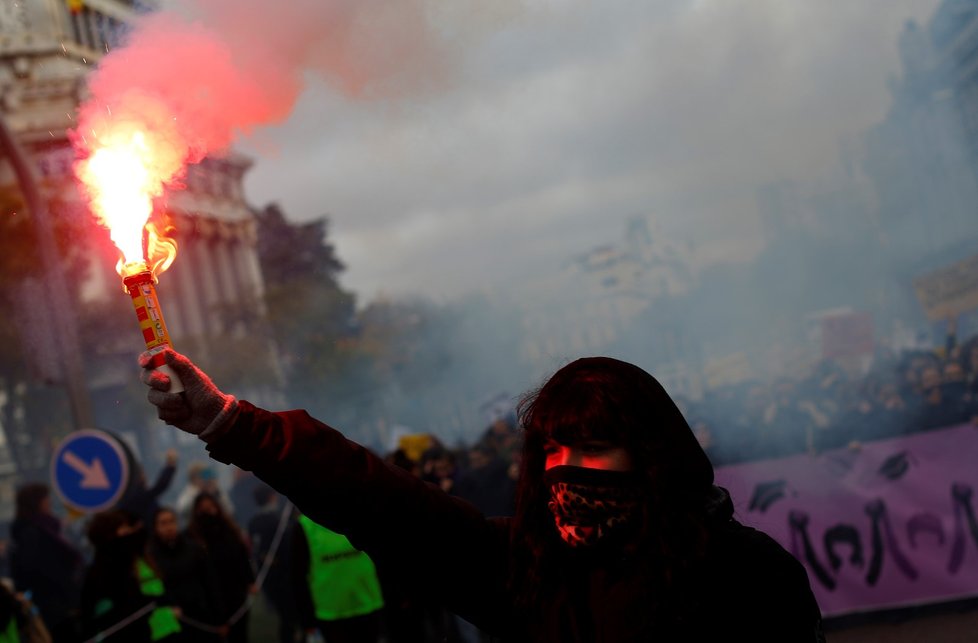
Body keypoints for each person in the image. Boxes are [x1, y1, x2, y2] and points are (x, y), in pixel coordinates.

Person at [140, 349, 825, 641]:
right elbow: (385, 503)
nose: (566, 469)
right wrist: (232, 422)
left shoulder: (748, 574)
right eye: (553, 449)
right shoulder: (532, 569)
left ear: (650, 457)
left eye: (591, 449)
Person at [80, 510, 182, 643]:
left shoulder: (122, 563)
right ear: (111, 535)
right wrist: (155, 602)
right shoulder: (105, 571)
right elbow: (124, 607)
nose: (130, 533)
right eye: (125, 531)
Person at [291, 513, 384, 643]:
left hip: (369, 604)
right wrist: (307, 620)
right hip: (331, 614)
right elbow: (298, 576)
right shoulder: (304, 526)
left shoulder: (363, 512)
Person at [9, 484, 82, 643]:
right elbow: (43, 570)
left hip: (54, 605)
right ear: (38, 503)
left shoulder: (39, 529)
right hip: (56, 608)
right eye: (46, 498)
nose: (49, 501)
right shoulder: (34, 533)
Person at [148, 507, 226, 642]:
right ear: (155, 527)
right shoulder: (151, 557)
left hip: (201, 615)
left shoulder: (194, 549)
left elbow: (210, 583)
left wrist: (220, 618)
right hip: (172, 621)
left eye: (171, 521)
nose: (169, 527)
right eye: (163, 523)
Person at [186, 493, 255, 643]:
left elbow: (242, 556)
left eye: (211, 507)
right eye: (204, 509)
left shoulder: (229, 529)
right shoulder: (193, 536)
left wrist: (250, 581)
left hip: (236, 591)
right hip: (212, 596)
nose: (209, 512)